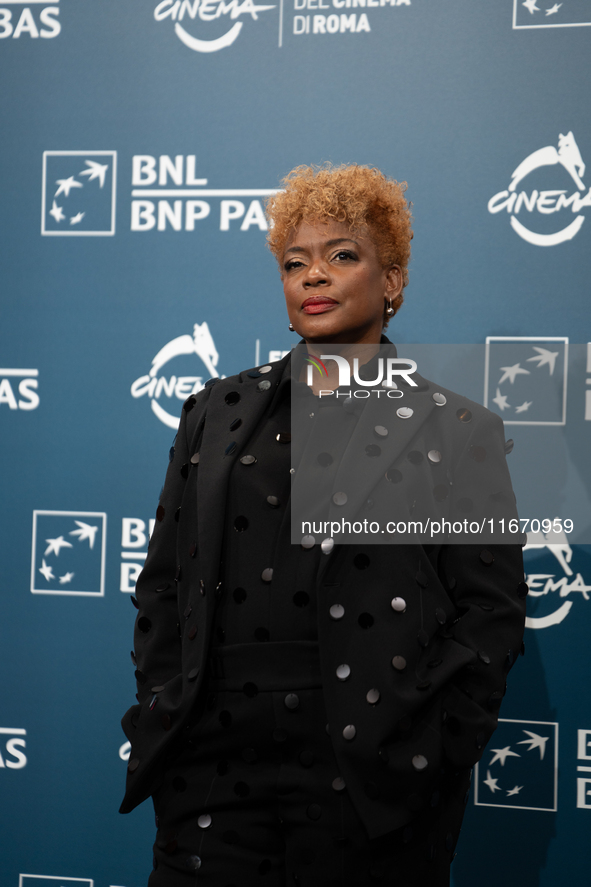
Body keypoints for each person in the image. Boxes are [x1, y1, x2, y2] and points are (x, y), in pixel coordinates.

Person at [120, 163, 527, 887]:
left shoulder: (459, 429)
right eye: (294, 262)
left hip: (373, 784)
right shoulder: (214, 412)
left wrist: (430, 748)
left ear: (391, 282)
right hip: (211, 771)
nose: (315, 275)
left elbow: (489, 615)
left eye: (342, 255)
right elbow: (162, 584)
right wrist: (163, 708)